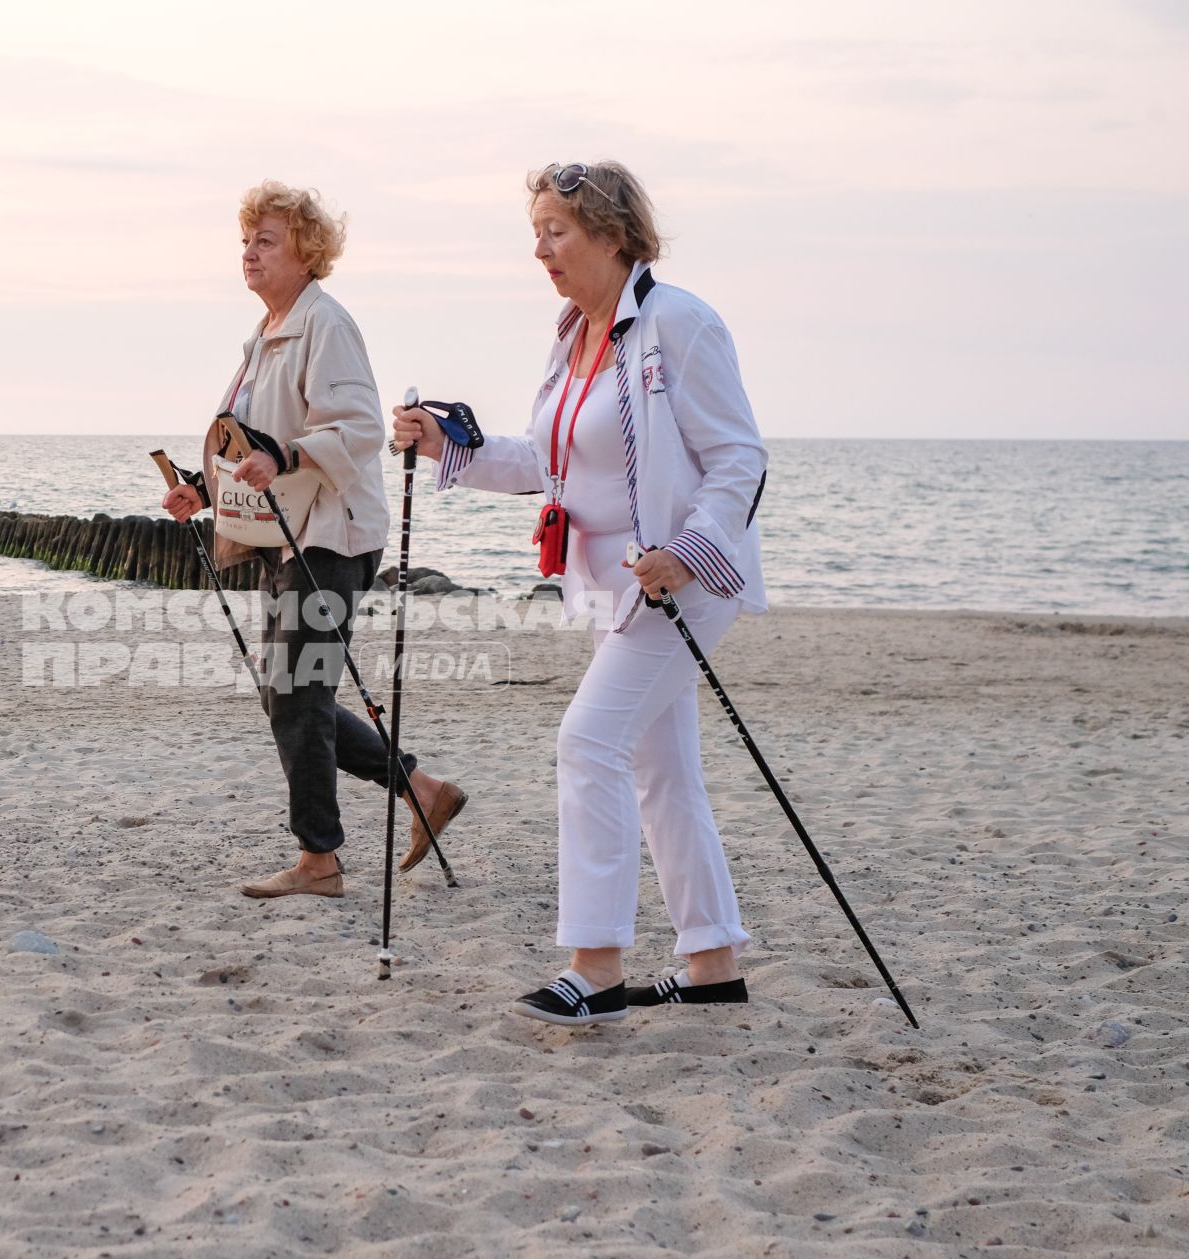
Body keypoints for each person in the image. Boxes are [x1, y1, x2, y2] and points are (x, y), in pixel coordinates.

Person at [392, 161, 768, 1024]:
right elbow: (545, 461)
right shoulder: (575, 336)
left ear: (612, 234)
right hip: (609, 588)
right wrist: (444, 446)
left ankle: (595, 968)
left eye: (556, 233)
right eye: (537, 234)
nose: (541, 252)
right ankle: (713, 963)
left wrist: (688, 551)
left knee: (586, 743)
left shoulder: (680, 324)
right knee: (661, 771)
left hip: (682, 584)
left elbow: (739, 458)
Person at [163, 181, 466, 899]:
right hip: (282, 535)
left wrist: (291, 457)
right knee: (291, 692)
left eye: (266, 241)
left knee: (294, 692)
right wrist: (203, 492)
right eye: (246, 241)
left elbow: (358, 428)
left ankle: (319, 861)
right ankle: (422, 790)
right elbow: (248, 447)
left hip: (332, 536)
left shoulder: (325, 325)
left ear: (306, 252)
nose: (249, 254)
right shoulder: (263, 340)